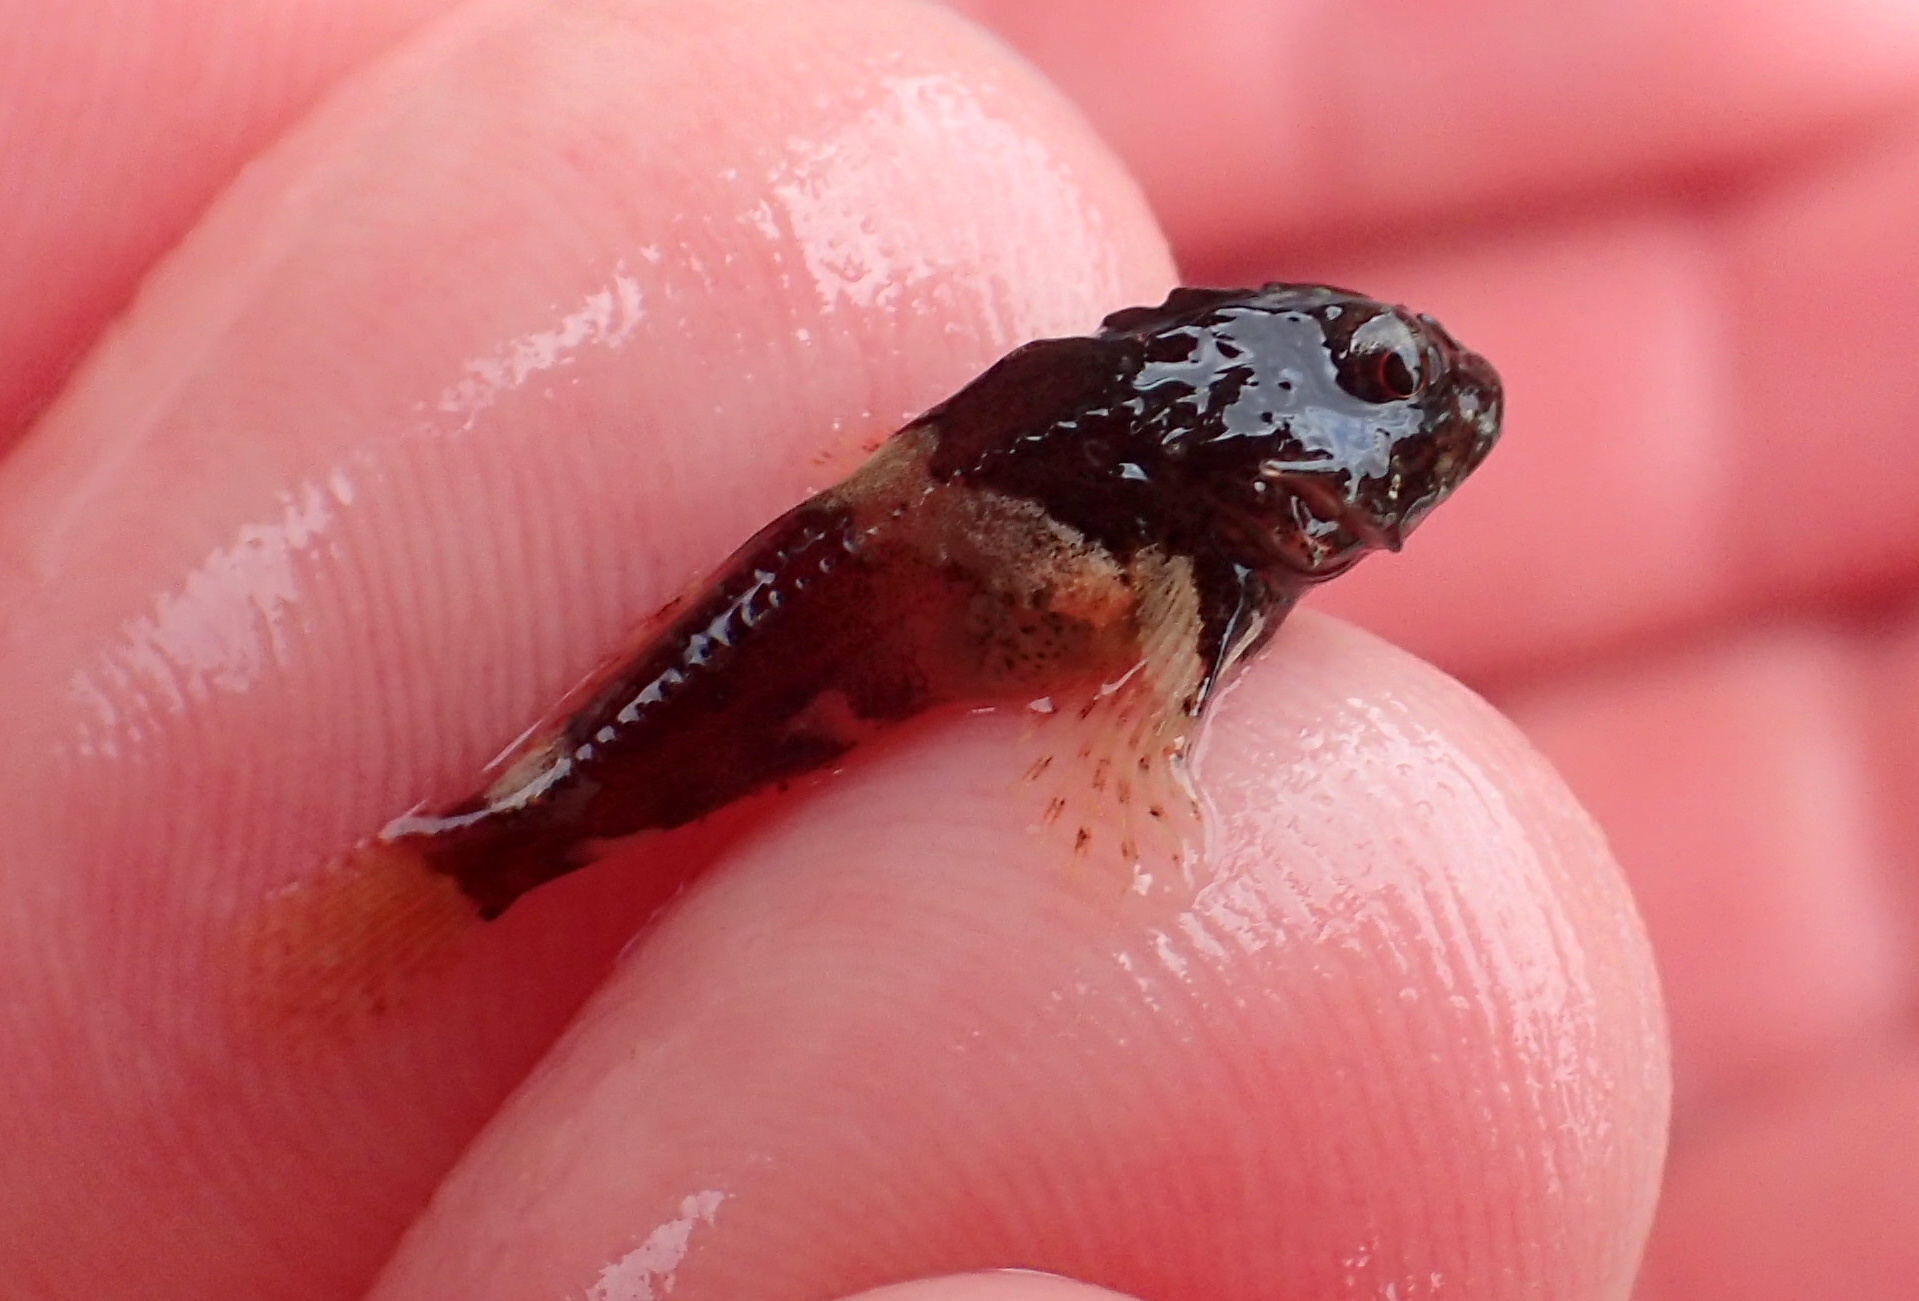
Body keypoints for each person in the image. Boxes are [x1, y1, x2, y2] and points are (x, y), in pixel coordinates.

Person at [0, 1, 1912, 1298]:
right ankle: (473, 861)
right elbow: (1118, 707)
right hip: (858, 598)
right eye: (1391, 393)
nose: (1407, 421)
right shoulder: (1187, 520)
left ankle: (482, 853)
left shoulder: (1191, 498)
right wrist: (1139, 727)